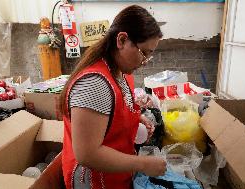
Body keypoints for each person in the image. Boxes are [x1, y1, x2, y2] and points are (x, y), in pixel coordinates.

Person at [60, 5, 167, 189]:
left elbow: (114, 110)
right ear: (122, 40)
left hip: (115, 174)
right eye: (144, 53)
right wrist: (143, 164)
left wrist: (135, 118)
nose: (144, 62)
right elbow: (87, 154)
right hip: (95, 181)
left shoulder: (121, 72)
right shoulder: (94, 84)